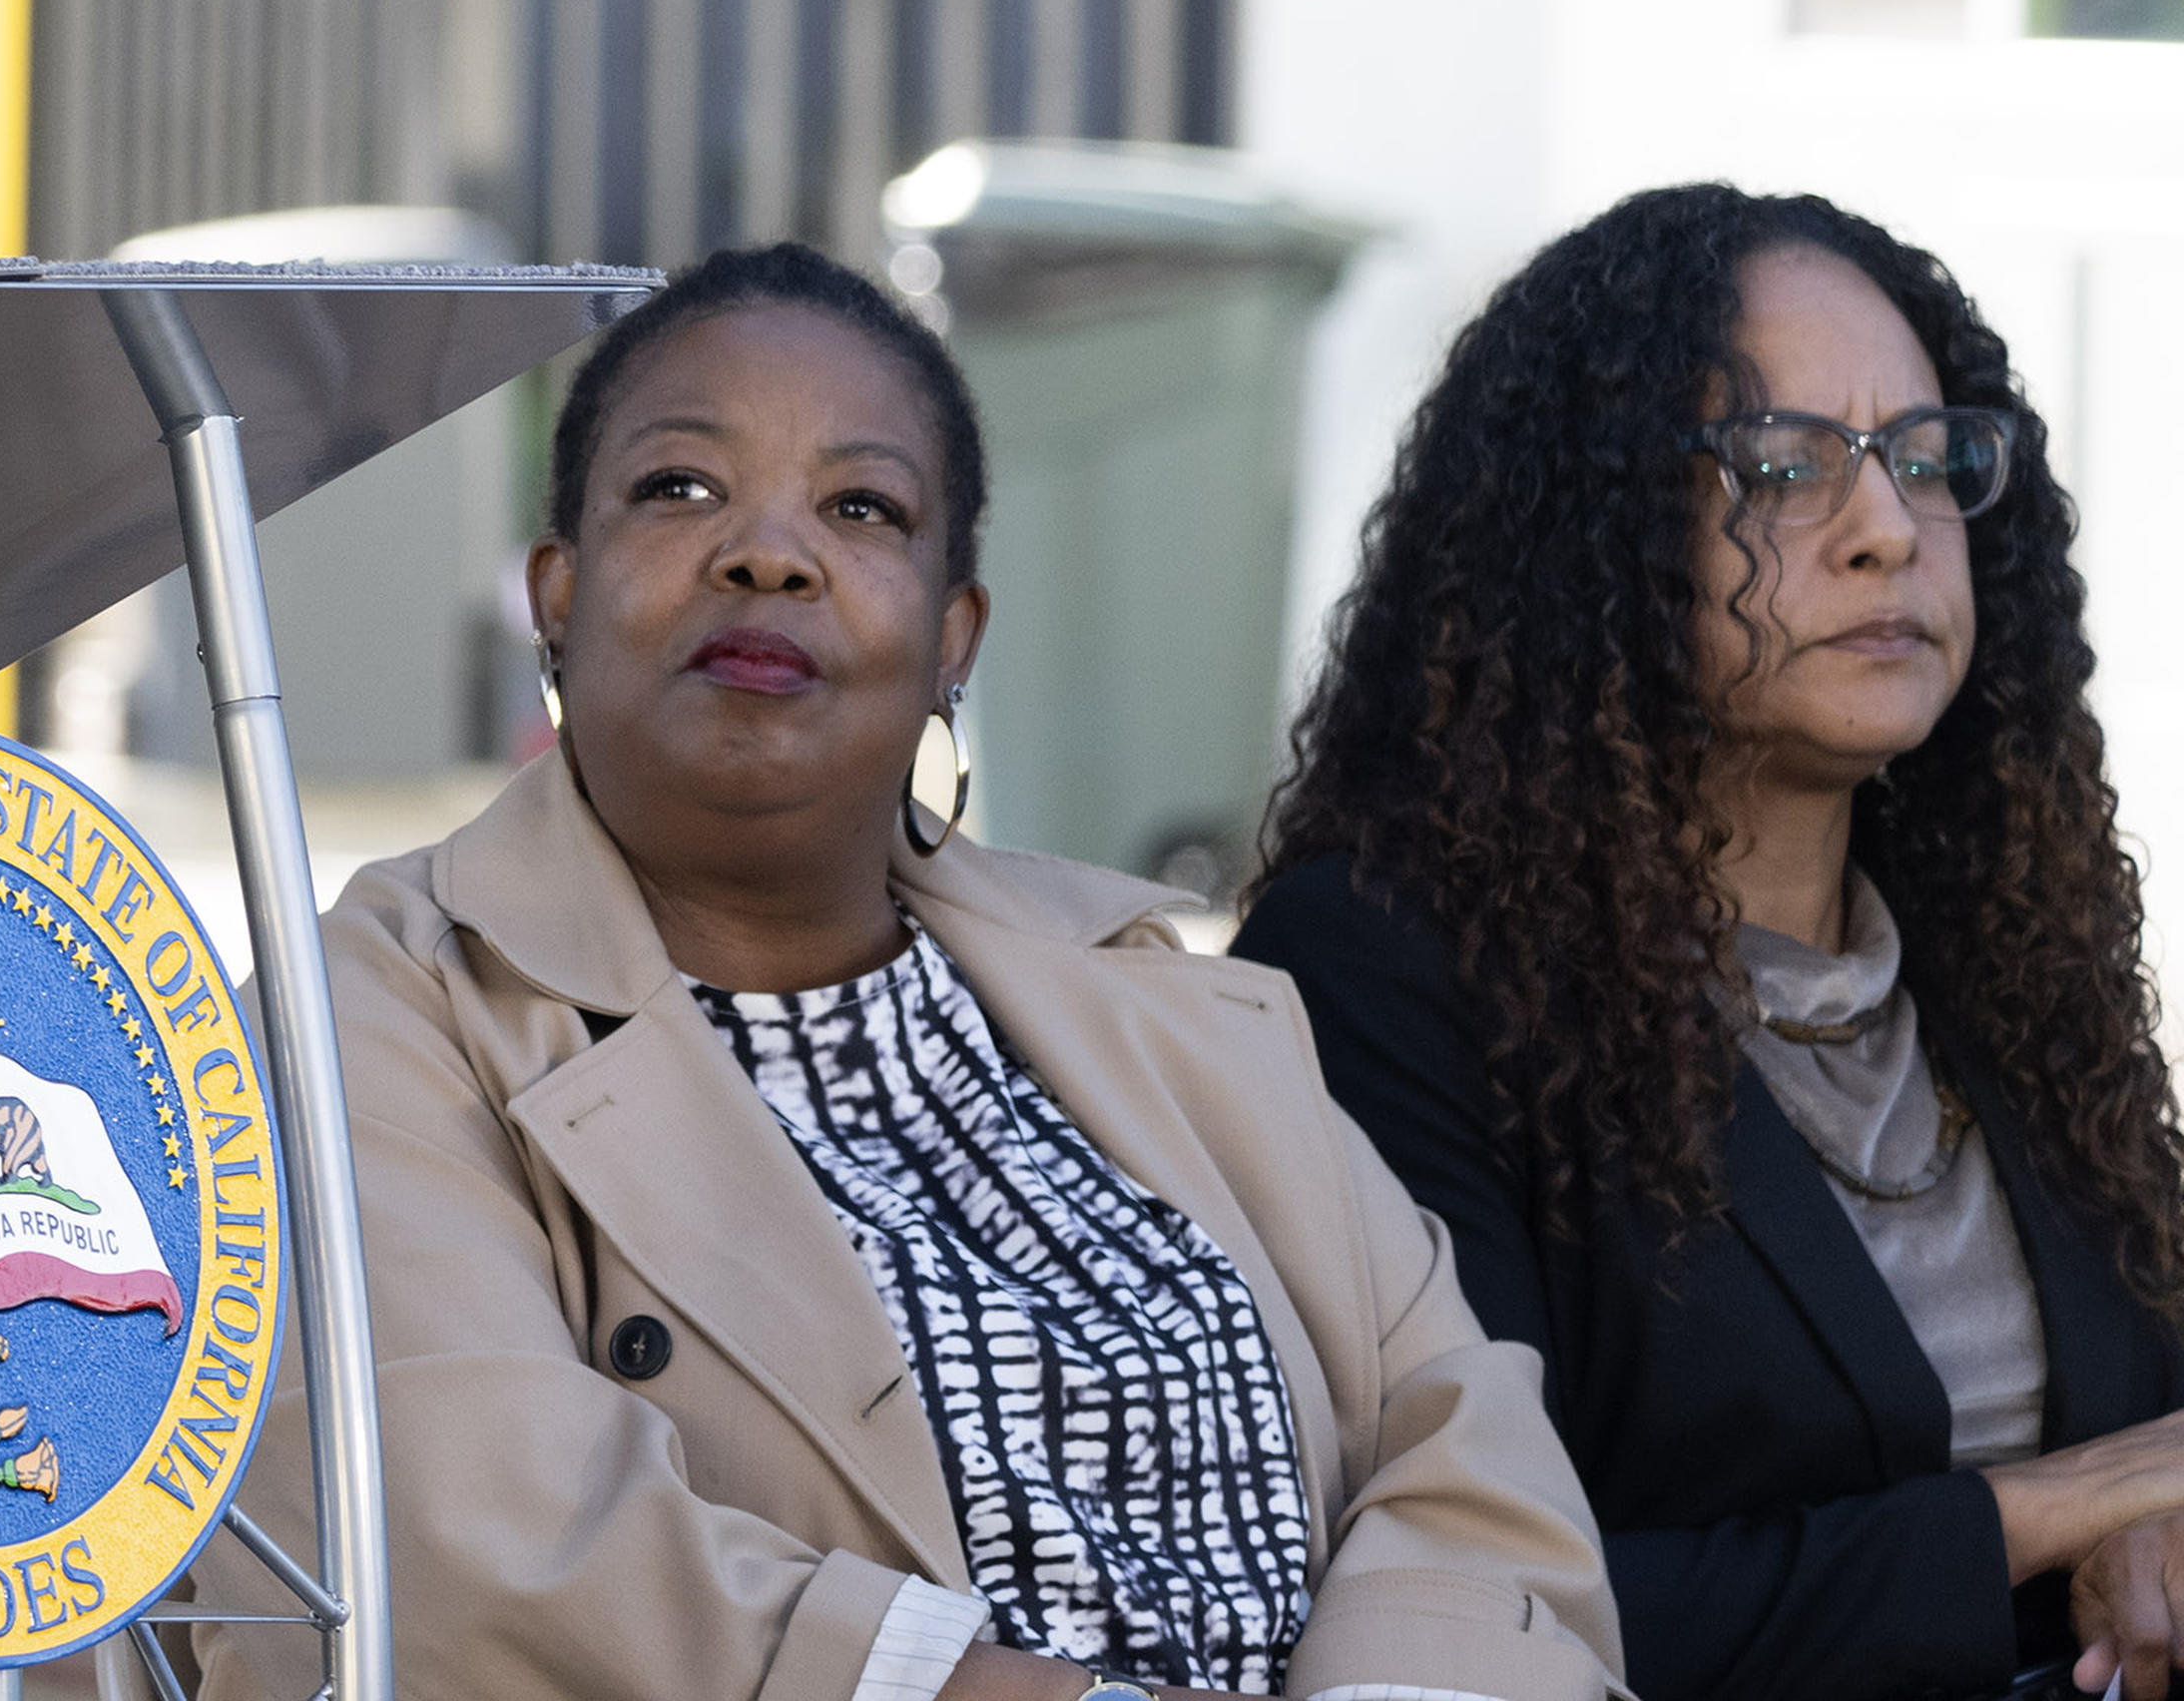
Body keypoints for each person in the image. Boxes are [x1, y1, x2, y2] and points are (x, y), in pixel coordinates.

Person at [194, 240, 1619, 1701]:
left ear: (955, 640)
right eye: (679, 489)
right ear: (555, 593)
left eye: (861, 507)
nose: (768, 552)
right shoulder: (370, 1017)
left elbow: (1462, 1445)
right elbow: (449, 1528)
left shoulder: (1179, 1010)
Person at [1239, 187, 2184, 1701]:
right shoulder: (1384, 973)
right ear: (1592, 533)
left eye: (1926, 459)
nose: (1885, 529)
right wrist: (2048, 1513)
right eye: (1784, 467)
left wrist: (2152, 1552)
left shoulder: (2004, 966)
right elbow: (1468, 1603)